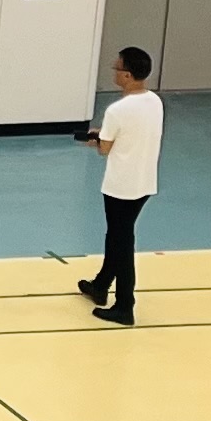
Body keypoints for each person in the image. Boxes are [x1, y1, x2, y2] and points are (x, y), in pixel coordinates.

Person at [74, 46, 160, 327]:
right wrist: (106, 136)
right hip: (144, 181)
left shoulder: (117, 110)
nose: (113, 70)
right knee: (118, 236)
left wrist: (97, 140)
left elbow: (105, 149)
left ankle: (125, 305)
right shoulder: (154, 101)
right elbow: (132, 133)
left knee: (121, 242)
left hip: (120, 186)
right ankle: (100, 285)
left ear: (127, 75)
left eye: (117, 67)